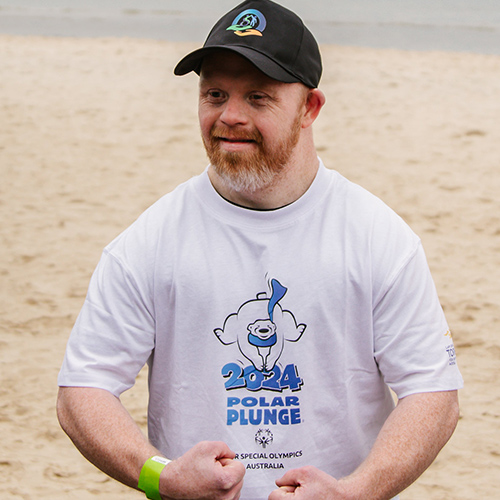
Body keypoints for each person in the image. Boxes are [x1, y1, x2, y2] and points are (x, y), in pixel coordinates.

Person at [57, 1, 463, 499]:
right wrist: (160, 476)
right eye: (214, 93)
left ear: (309, 109)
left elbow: (433, 392)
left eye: (258, 97)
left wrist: (353, 493)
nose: (229, 116)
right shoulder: (150, 241)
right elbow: (83, 387)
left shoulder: (378, 237)